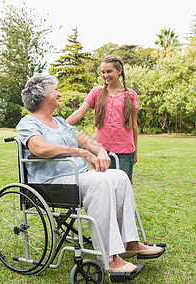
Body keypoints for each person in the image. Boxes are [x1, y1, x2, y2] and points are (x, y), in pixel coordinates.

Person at [16, 74, 163, 276]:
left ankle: (130, 243)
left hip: (78, 177)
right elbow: (39, 148)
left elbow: (86, 141)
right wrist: (80, 152)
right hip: (51, 183)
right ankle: (109, 258)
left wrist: (100, 151)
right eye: (55, 90)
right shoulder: (28, 123)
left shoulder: (60, 122)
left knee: (119, 176)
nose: (59, 93)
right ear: (42, 94)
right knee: (99, 180)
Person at [66, 55, 138, 184]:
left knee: (122, 186)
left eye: (109, 71)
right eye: (103, 72)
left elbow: (134, 126)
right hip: (102, 150)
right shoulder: (96, 92)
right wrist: (59, 126)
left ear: (119, 71)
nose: (105, 75)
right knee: (104, 185)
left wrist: (135, 152)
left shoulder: (131, 95)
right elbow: (78, 113)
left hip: (125, 151)